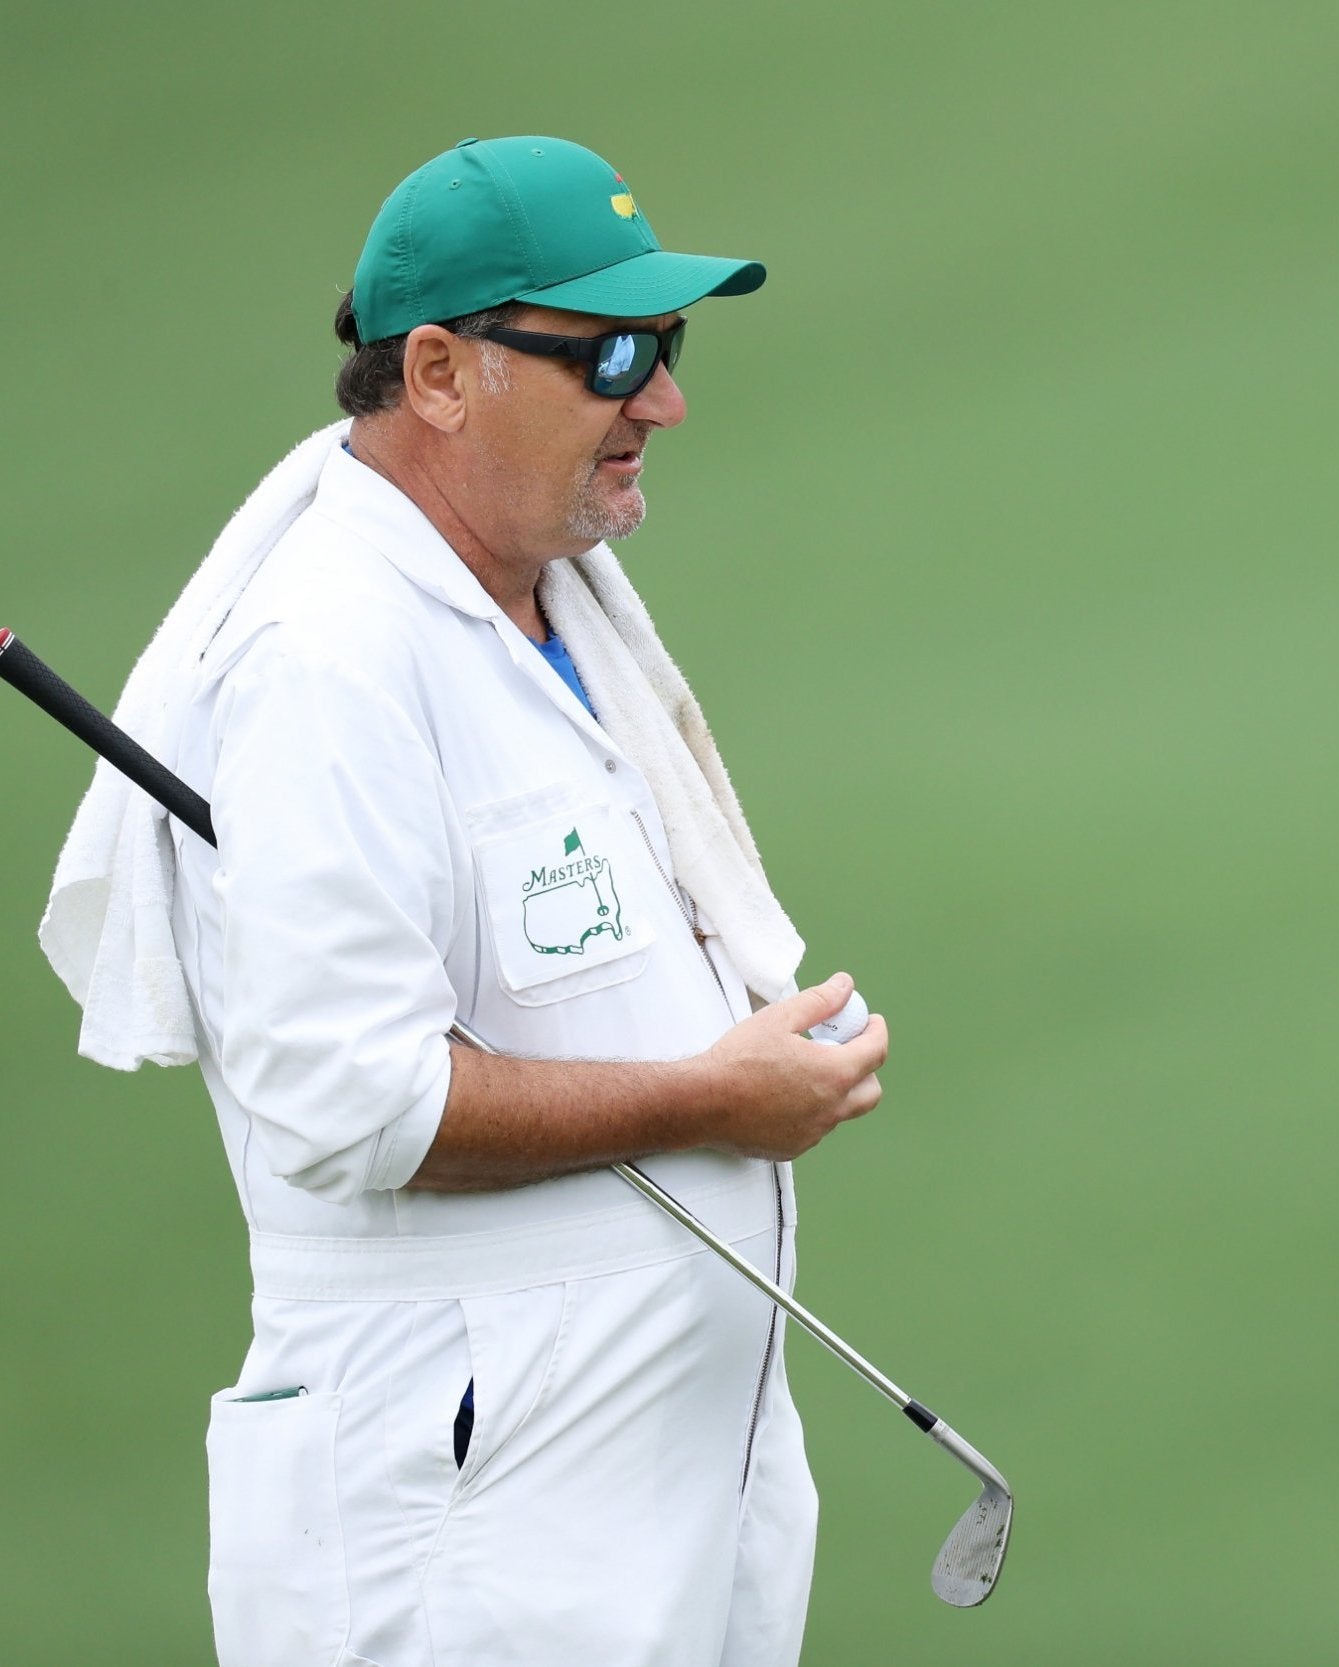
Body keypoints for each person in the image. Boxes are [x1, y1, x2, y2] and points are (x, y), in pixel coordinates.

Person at [46, 136, 888, 1667]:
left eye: (670, 345)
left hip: (619, 1495)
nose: (664, 400)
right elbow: (353, 1102)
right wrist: (713, 1096)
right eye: (612, 354)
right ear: (437, 370)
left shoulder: (545, 595)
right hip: (456, 1519)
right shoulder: (325, 663)